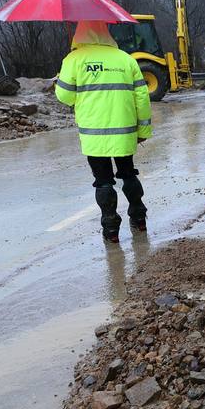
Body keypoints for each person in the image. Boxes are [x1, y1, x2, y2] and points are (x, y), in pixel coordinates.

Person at [55, 20, 153, 242]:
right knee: (128, 173)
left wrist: (64, 77)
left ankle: (111, 230)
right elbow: (142, 98)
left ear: (79, 34)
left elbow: (64, 96)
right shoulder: (126, 59)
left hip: (94, 136)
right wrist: (143, 130)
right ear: (106, 33)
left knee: (103, 181)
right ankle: (139, 218)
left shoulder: (74, 59)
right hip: (125, 132)